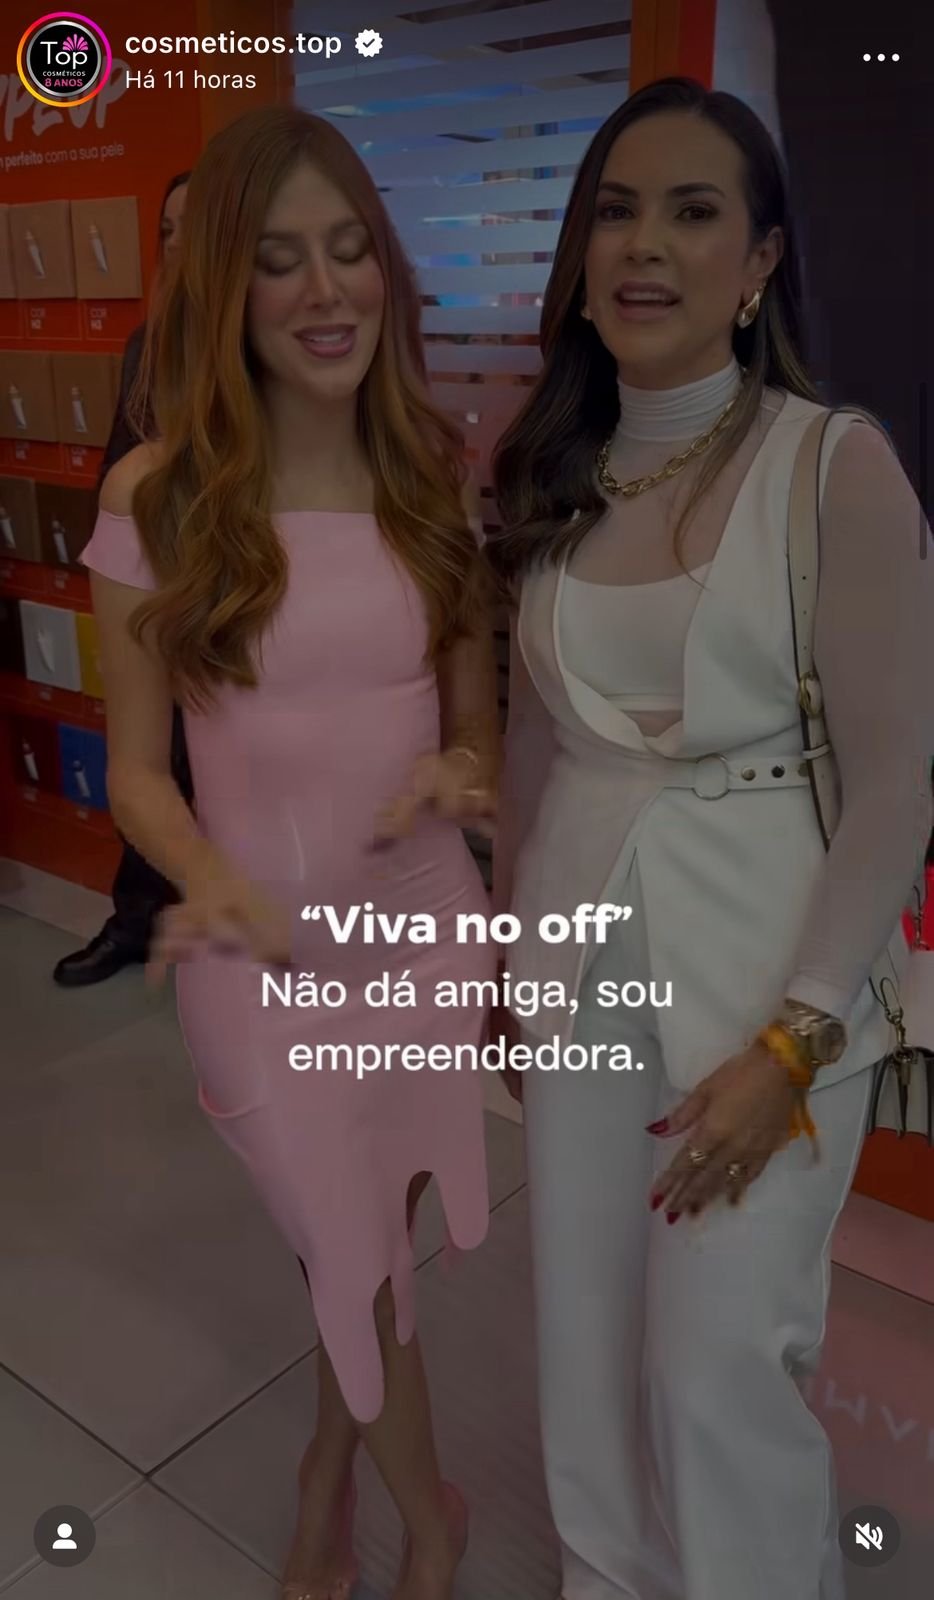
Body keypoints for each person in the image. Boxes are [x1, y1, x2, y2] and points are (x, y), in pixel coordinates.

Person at [488, 77, 933, 1600]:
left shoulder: (832, 464)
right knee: (580, 1337)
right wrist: (514, 966)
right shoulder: (552, 468)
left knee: (716, 1368)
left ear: (758, 263)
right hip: (581, 968)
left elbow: (895, 786)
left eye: (692, 212)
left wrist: (796, 1040)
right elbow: (536, 742)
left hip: (772, 985)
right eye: (615, 211)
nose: (645, 245)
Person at [80, 106, 499, 1600]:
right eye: (277, 259)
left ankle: (331, 1471)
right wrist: (212, 879)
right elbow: (138, 773)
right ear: (224, 288)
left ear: (385, 267)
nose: (325, 291)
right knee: (339, 1232)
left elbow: (473, 723)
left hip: (422, 931)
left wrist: (460, 772)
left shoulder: (429, 470)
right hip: (259, 956)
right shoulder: (157, 497)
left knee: (364, 1251)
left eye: (347, 249)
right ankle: (432, 1521)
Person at [54, 170, 191, 987]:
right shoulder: (150, 343)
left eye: (194, 227)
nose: (179, 245)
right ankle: (136, 920)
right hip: (156, 588)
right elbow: (117, 464)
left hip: (236, 592)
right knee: (149, 759)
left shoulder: (272, 344)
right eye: (167, 230)